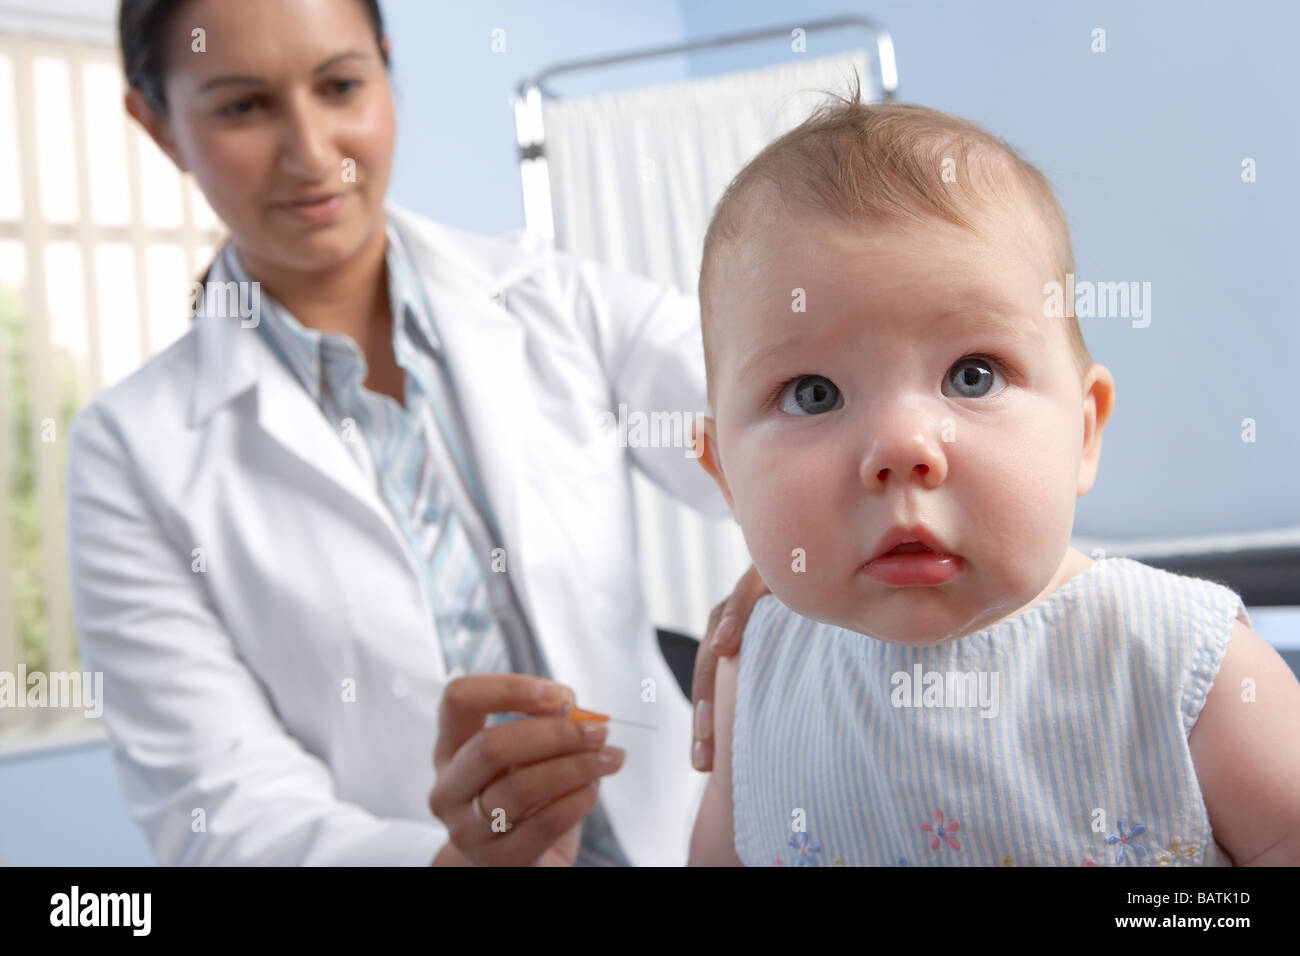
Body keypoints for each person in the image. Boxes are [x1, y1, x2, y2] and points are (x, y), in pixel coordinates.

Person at [67, 0, 764, 867]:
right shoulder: (130, 454)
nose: (312, 151)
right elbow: (219, 807)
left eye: (340, 85)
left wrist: (807, 545)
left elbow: (757, 416)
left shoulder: (549, 297)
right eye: (243, 106)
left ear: (386, 70)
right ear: (158, 125)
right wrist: (454, 863)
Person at [686, 89, 1300, 865]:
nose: (904, 447)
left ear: (1083, 431)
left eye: (972, 376)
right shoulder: (759, 686)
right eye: (814, 394)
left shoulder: (1182, 662)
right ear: (727, 479)